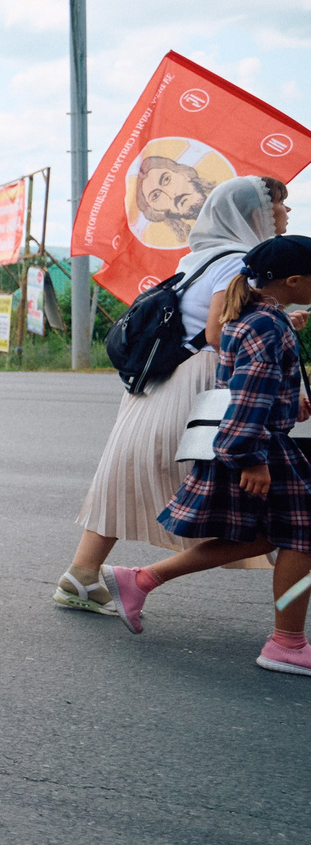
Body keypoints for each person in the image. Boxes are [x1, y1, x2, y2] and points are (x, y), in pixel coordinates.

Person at [53, 176, 289, 615]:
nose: (285, 215)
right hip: (199, 383)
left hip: (159, 382)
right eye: (278, 207)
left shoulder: (195, 257)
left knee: (124, 477)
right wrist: (283, 324)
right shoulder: (237, 261)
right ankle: (286, 598)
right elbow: (221, 332)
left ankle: (82, 574)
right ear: (252, 213)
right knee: (251, 495)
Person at [103, 236, 311, 674]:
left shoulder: (250, 316)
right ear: (294, 281)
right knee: (302, 537)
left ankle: (139, 580)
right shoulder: (266, 325)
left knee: (266, 536)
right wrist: (249, 457)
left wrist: (293, 404)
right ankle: (287, 644)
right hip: (259, 448)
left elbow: (247, 382)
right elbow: (247, 394)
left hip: (256, 440)